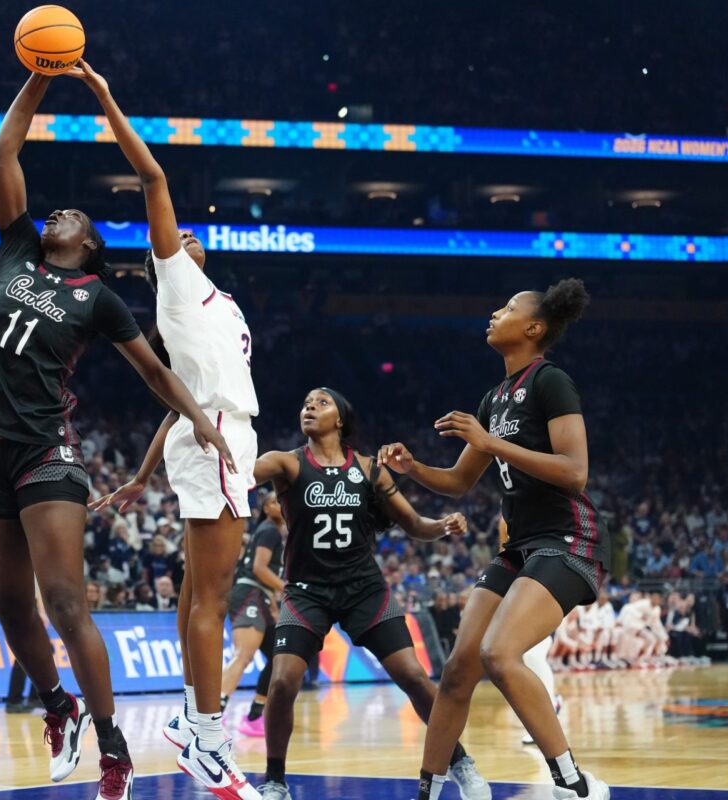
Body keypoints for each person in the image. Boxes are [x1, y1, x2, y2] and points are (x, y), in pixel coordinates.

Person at [0, 68, 232, 800]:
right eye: (58, 210)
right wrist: (39, 77)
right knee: (9, 605)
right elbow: (3, 155)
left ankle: (113, 751)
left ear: (92, 244)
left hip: (45, 452)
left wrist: (199, 420)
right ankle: (58, 707)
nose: (60, 212)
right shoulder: (17, 250)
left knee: (65, 602)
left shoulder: (98, 298)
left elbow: (155, 372)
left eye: (74, 215)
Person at [76, 60, 260, 799]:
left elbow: (176, 403)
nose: (185, 232)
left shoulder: (220, 303)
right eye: (174, 235)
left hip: (209, 434)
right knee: (213, 594)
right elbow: (152, 176)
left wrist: (143, 474)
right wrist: (105, 96)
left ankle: (189, 720)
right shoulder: (178, 284)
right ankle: (209, 741)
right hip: (218, 438)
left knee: (194, 592)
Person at [379, 279, 611, 800]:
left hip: (568, 539)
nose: (494, 313)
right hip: (520, 546)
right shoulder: (493, 398)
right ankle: (428, 790)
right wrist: (413, 468)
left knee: (500, 653)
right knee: (458, 667)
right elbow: (459, 482)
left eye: (507, 309)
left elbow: (575, 471)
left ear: (533, 328)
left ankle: (574, 784)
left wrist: (491, 442)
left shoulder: (551, 381)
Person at [249, 389, 490, 800]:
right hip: (307, 591)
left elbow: (414, 524)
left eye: (321, 402)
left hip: (364, 589)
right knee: (284, 681)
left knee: (413, 676)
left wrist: (442, 525)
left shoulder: (368, 468)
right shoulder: (285, 463)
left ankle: (460, 761)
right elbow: (240, 472)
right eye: (305, 402)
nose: (310, 407)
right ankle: (274, 781)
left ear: (340, 419)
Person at [218, 492, 285, 738]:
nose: (281, 504)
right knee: (243, 655)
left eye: (282, 500)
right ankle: (213, 714)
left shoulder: (272, 531)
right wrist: (287, 589)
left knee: (279, 657)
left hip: (262, 597)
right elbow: (259, 569)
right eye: (274, 501)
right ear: (266, 509)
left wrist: (273, 604)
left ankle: (255, 717)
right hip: (250, 594)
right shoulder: (269, 530)